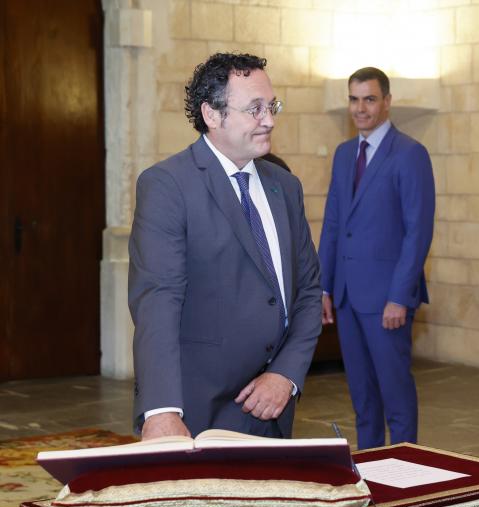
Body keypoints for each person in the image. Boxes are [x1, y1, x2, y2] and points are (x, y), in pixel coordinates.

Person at [128, 53, 321, 441]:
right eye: (254, 108)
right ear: (212, 115)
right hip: (198, 410)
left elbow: (308, 292)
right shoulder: (168, 185)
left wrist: (285, 373)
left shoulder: (285, 187)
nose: (269, 120)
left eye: (272, 106)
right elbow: (158, 301)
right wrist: (162, 410)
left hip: (273, 408)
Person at [318, 67, 435, 450]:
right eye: (354, 99)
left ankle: (407, 467)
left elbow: (418, 232)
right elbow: (334, 223)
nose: (360, 108)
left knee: (395, 395)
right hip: (347, 296)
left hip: (387, 299)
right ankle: (369, 467)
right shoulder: (343, 154)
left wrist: (399, 296)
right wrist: (323, 287)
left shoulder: (410, 154)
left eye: (369, 99)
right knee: (363, 399)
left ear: (387, 101)